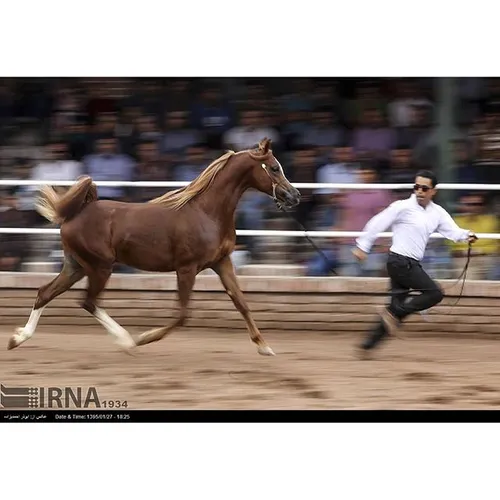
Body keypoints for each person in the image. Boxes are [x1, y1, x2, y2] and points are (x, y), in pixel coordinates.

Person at [352, 169, 478, 354]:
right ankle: (393, 313)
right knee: (434, 294)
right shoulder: (401, 206)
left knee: (396, 309)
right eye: (416, 186)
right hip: (399, 262)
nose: (419, 190)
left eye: (424, 188)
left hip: (408, 264)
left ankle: (367, 346)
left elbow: (451, 231)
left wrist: (467, 235)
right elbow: (378, 222)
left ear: (433, 191)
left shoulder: (437, 212)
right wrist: (363, 246)